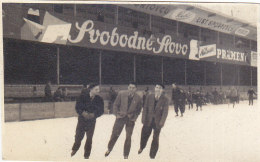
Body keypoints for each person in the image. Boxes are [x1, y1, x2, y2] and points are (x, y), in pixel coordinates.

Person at [105, 82, 142, 159]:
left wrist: (134, 118)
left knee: (128, 137)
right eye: (130, 87)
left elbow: (138, 110)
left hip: (130, 119)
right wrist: (117, 115)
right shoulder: (121, 94)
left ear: (136, 89)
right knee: (115, 134)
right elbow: (115, 105)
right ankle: (109, 148)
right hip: (120, 118)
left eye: (133, 88)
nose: (131, 89)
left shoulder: (138, 97)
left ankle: (126, 154)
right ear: (128, 87)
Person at [71, 83, 104, 159]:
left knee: (89, 138)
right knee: (78, 136)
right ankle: (75, 149)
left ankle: (87, 155)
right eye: (96, 89)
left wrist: (94, 114)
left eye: (98, 89)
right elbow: (77, 107)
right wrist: (82, 113)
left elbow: (101, 110)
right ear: (91, 89)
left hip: (91, 121)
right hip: (82, 120)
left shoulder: (99, 99)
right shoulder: (82, 97)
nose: (98, 91)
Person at [138, 84, 169, 159]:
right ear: (154, 88)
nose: (158, 89)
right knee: (144, 135)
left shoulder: (165, 99)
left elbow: (165, 112)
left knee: (155, 138)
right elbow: (145, 108)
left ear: (162, 90)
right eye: (157, 87)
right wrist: (143, 118)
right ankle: (142, 146)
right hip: (148, 120)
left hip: (157, 122)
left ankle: (152, 154)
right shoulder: (149, 96)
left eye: (160, 88)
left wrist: (162, 122)